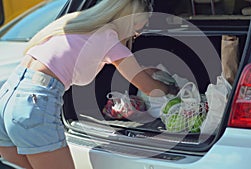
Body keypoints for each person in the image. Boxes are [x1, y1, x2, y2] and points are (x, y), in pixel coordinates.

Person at [0, 0, 178, 168]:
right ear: (130, 19)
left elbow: (132, 69)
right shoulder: (108, 37)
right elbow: (149, 88)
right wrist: (173, 90)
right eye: (140, 25)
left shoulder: (79, 25)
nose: (138, 33)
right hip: (35, 105)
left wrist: (147, 71)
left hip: (8, 97)